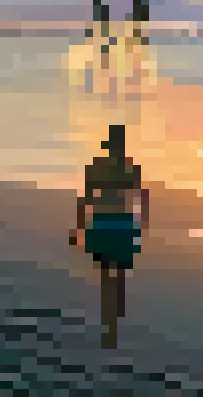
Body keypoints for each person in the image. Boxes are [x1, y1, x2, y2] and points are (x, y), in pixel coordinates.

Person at [71, 124, 150, 348]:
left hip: (104, 222)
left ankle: (110, 319)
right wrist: (142, 223)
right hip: (122, 223)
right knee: (119, 271)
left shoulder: (98, 166)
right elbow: (141, 198)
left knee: (107, 272)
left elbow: (85, 197)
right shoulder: (130, 167)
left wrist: (79, 227)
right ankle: (114, 318)